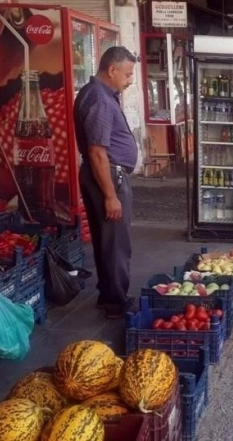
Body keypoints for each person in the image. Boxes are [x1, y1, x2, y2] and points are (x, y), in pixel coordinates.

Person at [74, 46, 138, 319]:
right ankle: (116, 302)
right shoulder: (99, 99)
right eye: (128, 73)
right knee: (115, 242)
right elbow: (97, 151)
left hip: (105, 173)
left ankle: (109, 294)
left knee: (107, 239)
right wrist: (111, 195)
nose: (130, 79)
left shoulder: (98, 94)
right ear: (112, 70)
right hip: (108, 175)